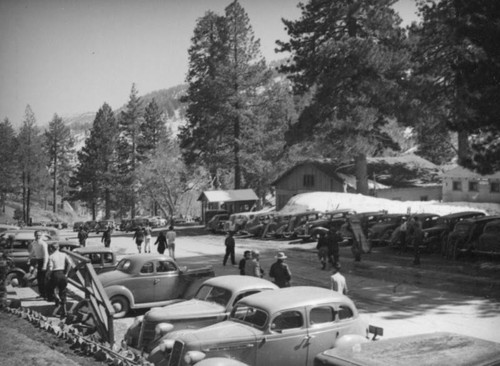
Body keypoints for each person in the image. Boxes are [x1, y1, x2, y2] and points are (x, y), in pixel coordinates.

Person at [46, 243, 72, 318]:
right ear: (58, 248)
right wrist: (66, 273)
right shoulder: (63, 254)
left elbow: (50, 269)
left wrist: (47, 275)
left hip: (55, 274)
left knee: (52, 289)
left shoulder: (51, 256)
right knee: (63, 291)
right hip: (62, 274)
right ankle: (64, 311)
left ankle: (57, 300)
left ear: (51, 249)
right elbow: (70, 263)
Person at [27, 231, 49, 299]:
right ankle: (42, 294)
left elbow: (46, 255)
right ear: (34, 235)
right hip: (39, 261)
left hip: (44, 261)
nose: (38, 237)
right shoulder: (34, 243)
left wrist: (45, 265)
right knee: (39, 279)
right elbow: (33, 251)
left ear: (41, 236)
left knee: (44, 279)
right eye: (36, 235)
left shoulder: (43, 243)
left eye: (39, 235)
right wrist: (29, 258)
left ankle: (46, 295)